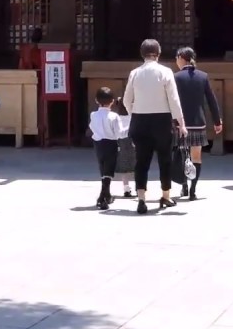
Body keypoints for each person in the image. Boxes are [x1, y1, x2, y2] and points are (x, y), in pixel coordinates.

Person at [122, 39, 186, 214]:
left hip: (140, 120)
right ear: (158, 53)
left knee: (141, 161)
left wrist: (134, 112)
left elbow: (127, 99)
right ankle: (165, 195)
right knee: (165, 159)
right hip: (162, 120)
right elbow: (174, 100)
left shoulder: (135, 73)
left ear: (142, 53)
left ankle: (141, 198)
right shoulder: (165, 72)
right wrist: (181, 123)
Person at [173, 47, 222, 200]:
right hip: (198, 122)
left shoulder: (175, 77)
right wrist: (217, 120)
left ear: (181, 57)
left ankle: (184, 186)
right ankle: (193, 190)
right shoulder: (203, 76)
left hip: (180, 123)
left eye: (176, 58)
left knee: (182, 155)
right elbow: (211, 100)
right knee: (196, 157)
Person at [89, 87, 123, 210]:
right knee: (109, 169)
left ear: (96, 101)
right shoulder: (114, 116)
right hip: (111, 143)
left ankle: (106, 194)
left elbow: (92, 128)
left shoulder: (93, 115)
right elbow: (118, 133)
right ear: (112, 101)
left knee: (102, 167)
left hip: (98, 143)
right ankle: (103, 196)